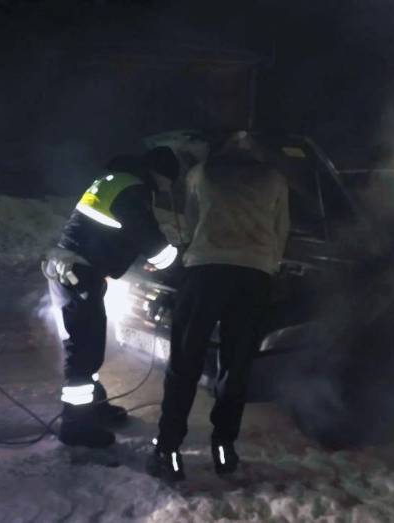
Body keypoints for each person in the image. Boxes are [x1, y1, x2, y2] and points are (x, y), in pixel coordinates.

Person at [147, 131, 290, 480]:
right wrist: (267, 264)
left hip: (206, 273)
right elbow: (281, 228)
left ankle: (168, 451)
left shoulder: (202, 174)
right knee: (235, 367)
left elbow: (193, 224)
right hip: (253, 277)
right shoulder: (273, 178)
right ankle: (224, 448)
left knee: (185, 361)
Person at [44, 147, 181, 448]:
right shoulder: (134, 189)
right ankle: (76, 427)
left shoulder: (116, 179)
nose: (169, 189)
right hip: (78, 271)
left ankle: (94, 407)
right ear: (160, 174)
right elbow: (148, 237)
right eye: (170, 182)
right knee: (83, 350)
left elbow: (113, 232)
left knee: (89, 345)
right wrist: (179, 269)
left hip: (74, 267)